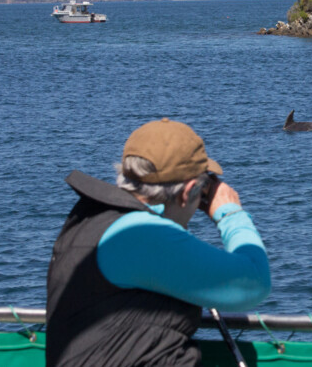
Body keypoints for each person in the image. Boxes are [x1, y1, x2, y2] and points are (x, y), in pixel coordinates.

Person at [46, 118, 271, 366]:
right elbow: (254, 283)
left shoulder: (91, 220)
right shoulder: (140, 236)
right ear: (188, 192)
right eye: (205, 186)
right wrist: (230, 214)